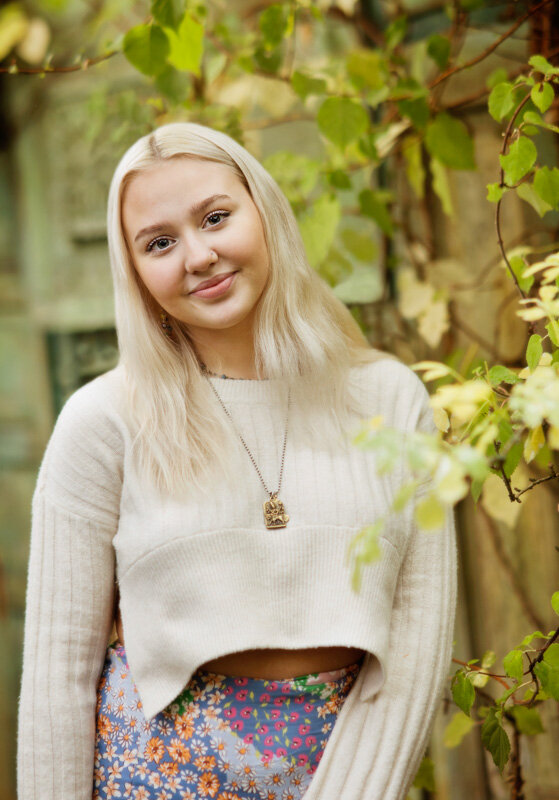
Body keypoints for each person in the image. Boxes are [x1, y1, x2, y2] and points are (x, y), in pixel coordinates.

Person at [16, 121, 457, 800]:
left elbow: (418, 635)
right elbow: (57, 673)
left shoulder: (385, 400)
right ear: (132, 269)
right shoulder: (104, 421)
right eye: (159, 243)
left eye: (216, 218)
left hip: (347, 768)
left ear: (265, 212)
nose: (197, 256)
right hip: (152, 775)